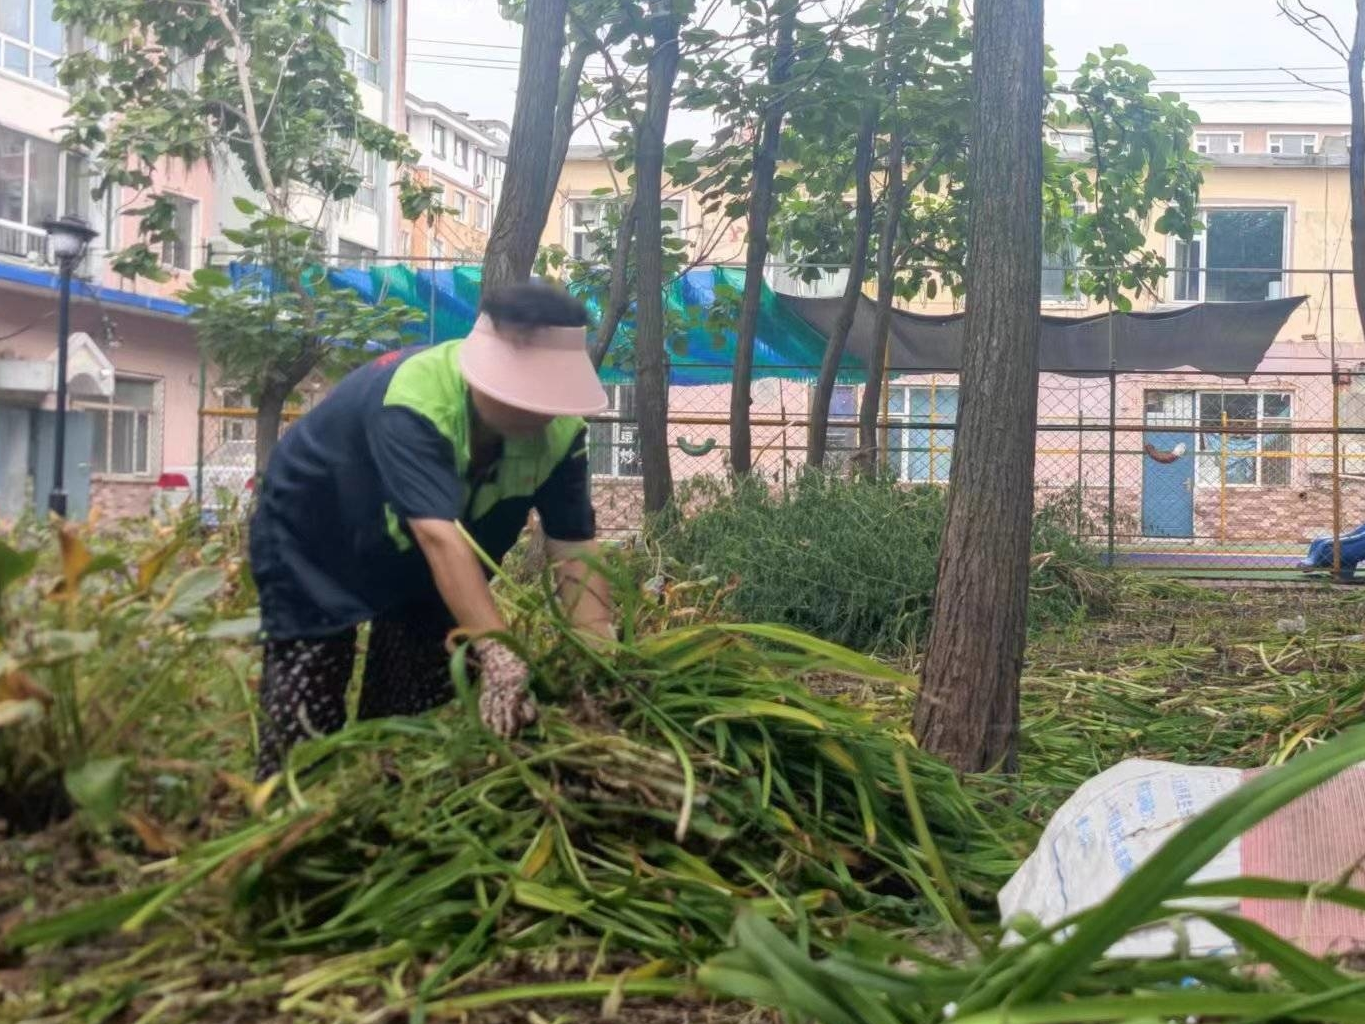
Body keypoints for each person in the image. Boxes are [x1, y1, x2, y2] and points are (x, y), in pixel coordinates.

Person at [247, 282, 615, 780]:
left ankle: (389, 802)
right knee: (310, 690)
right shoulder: (417, 401)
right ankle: (292, 815)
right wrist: (500, 652)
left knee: (418, 704)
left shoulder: (562, 435)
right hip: (321, 533)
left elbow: (574, 550)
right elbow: (439, 535)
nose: (536, 411)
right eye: (523, 392)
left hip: (432, 561)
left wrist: (600, 658)